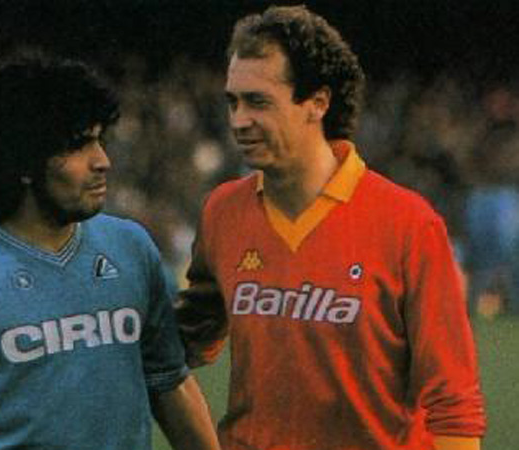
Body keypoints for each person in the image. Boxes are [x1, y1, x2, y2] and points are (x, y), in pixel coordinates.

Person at [175, 5, 486, 450]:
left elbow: (454, 404)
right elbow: (192, 337)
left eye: (258, 102)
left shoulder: (408, 224)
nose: (239, 120)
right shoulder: (223, 211)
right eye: (233, 102)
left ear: (318, 103)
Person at [0, 55, 220, 450]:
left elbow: (170, 380)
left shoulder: (131, 247)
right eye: (79, 145)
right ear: (25, 162)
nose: (103, 161)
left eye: (100, 140)